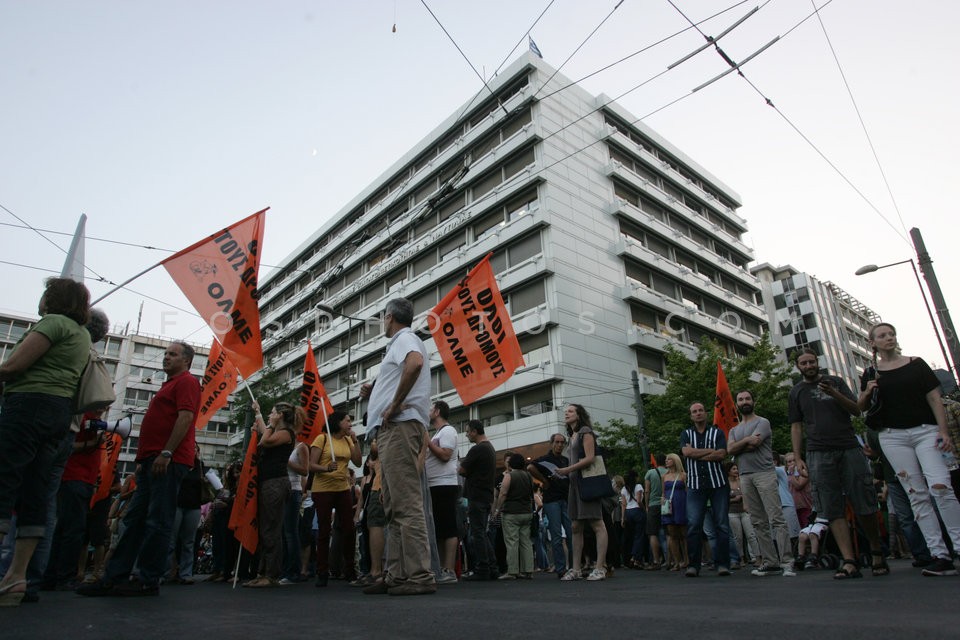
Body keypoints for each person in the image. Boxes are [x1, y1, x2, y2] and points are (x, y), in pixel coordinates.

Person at [78, 340, 201, 597]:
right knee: (134, 519)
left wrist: (166, 452)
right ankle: (116, 576)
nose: (166, 357)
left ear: (186, 361)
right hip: (150, 462)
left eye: (173, 354)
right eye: (165, 353)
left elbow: (186, 417)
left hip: (167, 460)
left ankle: (147, 578)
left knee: (158, 520)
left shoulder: (187, 382)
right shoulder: (168, 385)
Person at [0, 278, 91, 606]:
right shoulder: (82, 335)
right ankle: (17, 578)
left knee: (5, 483)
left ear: (54, 298)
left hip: (28, 405)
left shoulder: (53, 324)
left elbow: (13, 366)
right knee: (36, 494)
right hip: (58, 413)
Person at [859, 322, 960, 577]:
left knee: (941, 488)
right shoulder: (871, 372)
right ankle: (939, 554)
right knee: (916, 494)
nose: (888, 338)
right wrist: (869, 389)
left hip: (926, 431)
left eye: (891, 334)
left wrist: (943, 431)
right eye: (882, 335)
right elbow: (860, 406)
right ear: (873, 342)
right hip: (893, 437)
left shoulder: (916, 364)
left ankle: (958, 546)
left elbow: (934, 398)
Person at [359, 297, 436, 596]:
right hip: (394, 428)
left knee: (404, 503)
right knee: (393, 504)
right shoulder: (400, 343)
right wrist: (376, 390)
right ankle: (398, 574)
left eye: (383, 317)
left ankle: (418, 575)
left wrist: (392, 405)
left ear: (389, 317)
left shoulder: (406, 338)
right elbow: (406, 370)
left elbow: (414, 363)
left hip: (399, 426)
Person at [789, 347, 885, 580]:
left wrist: (834, 393)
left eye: (812, 361)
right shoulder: (796, 392)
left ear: (817, 362)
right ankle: (849, 560)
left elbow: (856, 410)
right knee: (831, 507)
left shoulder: (836, 382)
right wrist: (798, 456)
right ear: (798, 366)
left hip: (848, 447)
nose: (809, 366)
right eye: (804, 363)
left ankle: (876, 552)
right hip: (818, 453)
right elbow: (796, 425)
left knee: (863, 501)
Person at [727, 390, 792, 577]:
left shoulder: (762, 422)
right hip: (745, 475)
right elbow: (729, 449)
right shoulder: (734, 430)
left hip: (764, 473)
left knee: (776, 518)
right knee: (757, 521)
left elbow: (754, 444)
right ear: (736, 404)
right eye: (740, 399)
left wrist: (741, 445)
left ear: (753, 401)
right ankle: (771, 562)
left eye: (747, 398)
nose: (744, 401)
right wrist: (746, 440)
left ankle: (786, 561)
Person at [242, 400, 304, 588]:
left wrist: (267, 423)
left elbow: (265, 440)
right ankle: (262, 571)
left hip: (276, 483)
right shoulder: (279, 432)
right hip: (269, 482)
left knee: (271, 529)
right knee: (265, 527)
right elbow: (265, 434)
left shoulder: (286, 434)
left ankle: (271, 574)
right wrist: (260, 415)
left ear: (281, 416)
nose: (270, 415)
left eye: (272, 413)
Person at [555, 404, 609, 581]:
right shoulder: (572, 436)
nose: (566, 414)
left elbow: (590, 457)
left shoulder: (586, 431)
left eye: (570, 411)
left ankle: (600, 567)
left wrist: (567, 469)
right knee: (575, 526)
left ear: (579, 415)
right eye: (566, 412)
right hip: (575, 485)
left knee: (597, 524)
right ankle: (576, 569)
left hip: (586, 484)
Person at [309, 410, 361, 587]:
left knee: (349, 528)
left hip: (342, 488)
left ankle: (350, 570)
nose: (350, 424)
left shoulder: (347, 440)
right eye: (347, 421)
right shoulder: (322, 439)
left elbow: (359, 462)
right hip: (323, 489)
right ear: (338, 422)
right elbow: (311, 465)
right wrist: (325, 469)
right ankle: (322, 571)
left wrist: (355, 441)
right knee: (324, 530)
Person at [680, 402, 730, 577]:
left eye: (701, 410)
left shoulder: (717, 432)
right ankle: (693, 565)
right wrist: (709, 451)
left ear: (706, 413)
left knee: (722, 524)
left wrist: (697, 453)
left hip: (718, 484)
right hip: (695, 485)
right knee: (694, 525)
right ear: (691, 416)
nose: (698, 413)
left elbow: (722, 454)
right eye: (694, 411)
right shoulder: (686, 433)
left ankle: (723, 564)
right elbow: (686, 453)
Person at [527, 433, 573, 577]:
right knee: (557, 535)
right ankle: (561, 568)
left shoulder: (566, 460)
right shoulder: (544, 459)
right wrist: (544, 481)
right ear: (551, 443)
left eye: (562, 443)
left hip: (565, 499)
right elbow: (530, 467)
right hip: (551, 500)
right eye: (557, 442)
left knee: (572, 534)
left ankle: (573, 566)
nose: (559, 445)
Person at [425, 400, 460, 585]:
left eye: (431, 409)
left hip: (444, 483)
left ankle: (449, 569)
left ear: (437, 412)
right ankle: (439, 568)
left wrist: (427, 443)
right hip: (434, 484)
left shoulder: (448, 431)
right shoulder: (438, 433)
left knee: (448, 527)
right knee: (438, 528)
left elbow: (445, 455)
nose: (428, 411)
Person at [459, 420, 497, 581]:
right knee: (482, 532)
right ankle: (492, 567)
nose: (467, 434)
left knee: (478, 533)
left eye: (468, 431)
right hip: (486, 496)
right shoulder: (490, 448)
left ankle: (482, 568)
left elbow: (461, 469)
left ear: (474, 431)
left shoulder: (477, 449)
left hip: (476, 495)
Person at [165, 443, 205, 585]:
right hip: (177, 504)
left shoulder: (200, 466)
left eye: (196, 449)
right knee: (171, 540)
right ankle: (166, 572)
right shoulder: (177, 463)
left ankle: (186, 573)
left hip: (194, 506)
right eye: (191, 447)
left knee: (189, 541)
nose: (193, 450)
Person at [493, 453, 535, 580]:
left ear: (511, 464)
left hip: (511, 513)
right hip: (526, 512)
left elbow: (503, 493)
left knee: (512, 542)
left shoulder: (509, 476)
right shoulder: (528, 476)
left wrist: (497, 510)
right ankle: (528, 570)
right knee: (526, 542)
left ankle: (512, 571)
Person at [280, 429, 309, 584]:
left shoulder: (301, 447)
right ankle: (284, 570)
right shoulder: (284, 446)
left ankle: (293, 572)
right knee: (284, 534)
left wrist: (287, 461)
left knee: (291, 533)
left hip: (294, 491)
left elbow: (305, 471)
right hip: (281, 491)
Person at [726, 462, 759, 569]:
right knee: (737, 537)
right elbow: (723, 499)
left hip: (745, 511)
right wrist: (734, 499)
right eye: (734, 469)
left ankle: (757, 556)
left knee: (751, 534)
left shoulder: (741, 481)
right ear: (728, 471)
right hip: (732, 512)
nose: (736, 470)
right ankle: (741, 558)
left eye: (737, 468)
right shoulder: (726, 484)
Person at [660, 453, 687, 571]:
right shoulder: (664, 476)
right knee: (672, 534)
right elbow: (663, 491)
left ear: (675, 461)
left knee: (684, 534)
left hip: (681, 504)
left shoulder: (683, 475)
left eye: (669, 459)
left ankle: (687, 560)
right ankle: (677, 561)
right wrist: (662, 499)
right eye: (666, 460)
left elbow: (687, 491)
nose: (666, 461)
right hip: (669, 506)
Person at [643, 454, 668, 570]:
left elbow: (647, 490)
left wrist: (646, 505)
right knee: (668, 533)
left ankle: (656, 560)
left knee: (653, 533)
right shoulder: (669, 473)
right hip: (667, 504)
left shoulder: (650, 473)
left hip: (653, 504)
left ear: (656, 462)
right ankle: (670, 560)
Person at [621, 470, 646, 568]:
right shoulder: (638, 486)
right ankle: (636, 558)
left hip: (628, 512)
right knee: (639, 536)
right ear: (635, 477)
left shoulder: (624, 489)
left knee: (632, 535)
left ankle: (630, 557)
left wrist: (623, 518)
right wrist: (644, 510)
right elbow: (639, 501)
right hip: (637, 511)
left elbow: (623, 504)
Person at [784, 452, 813, 530]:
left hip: (805, 505)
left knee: (807, 528)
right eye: (789, 462)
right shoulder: (788, 474)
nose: (792, 463)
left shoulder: (803, 472)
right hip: (795, 507)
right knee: (800, 529)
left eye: (794, 460)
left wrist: (791, 473)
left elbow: (798, 485)